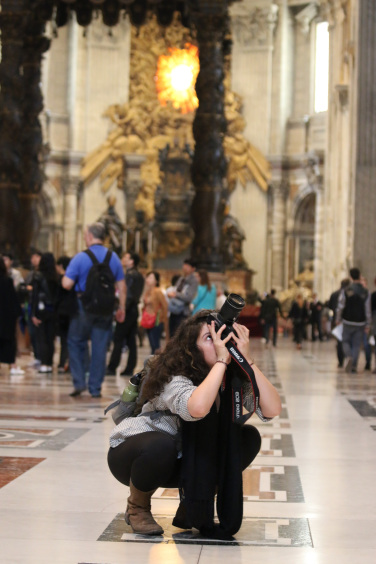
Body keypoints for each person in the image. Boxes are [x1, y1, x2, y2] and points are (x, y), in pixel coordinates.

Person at [107, 310, 281, 537]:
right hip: (135, 458)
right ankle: (137, 507)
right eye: (210, 338)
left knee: (248, 437)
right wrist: (221, 361)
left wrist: (246, 361)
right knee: (161, 446)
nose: (221, 343)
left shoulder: (232, 377)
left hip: (183, 462)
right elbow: (196, 408)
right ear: (191, 347)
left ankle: (194, 504)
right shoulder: (174, 373)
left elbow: (272, 409)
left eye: (223, 336)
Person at [62, 222, 126, 397]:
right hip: (105, 308)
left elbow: (66, 284)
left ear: (90, 236)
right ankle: (95, 387)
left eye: (85, 235)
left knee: (75, 342)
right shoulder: (113, 258)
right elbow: (121, 284)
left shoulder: (80, 257)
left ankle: (79, 381)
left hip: (84, 306)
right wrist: (122, 307)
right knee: (100, 347)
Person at [107, 252, 144, 376]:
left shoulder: (130, 275)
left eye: (126, 258)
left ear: (132, 261)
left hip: (127, 310)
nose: (123, 259)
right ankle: (129, 367)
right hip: (133, 310)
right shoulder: (139, 275)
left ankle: (112, 367)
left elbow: (127, 295)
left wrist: (121, 309)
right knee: (131, 340)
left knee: (118, 338)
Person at [336, 267, 371, 373]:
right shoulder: (365, 292)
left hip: (347, 321)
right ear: (359, 276)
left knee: (345, 341)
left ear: (350, 277)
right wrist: (368, 324)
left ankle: (349, 356)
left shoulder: (346, 291)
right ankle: (354, 366)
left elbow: (341, 306)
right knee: (357, 345)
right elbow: (367, 309)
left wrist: (338, 318)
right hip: (360, 322)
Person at [30, 252, 59, 373]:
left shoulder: (38, 276)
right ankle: (50, 363)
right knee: (50, 338)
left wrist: (33, 313)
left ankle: (43, 363)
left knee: (41, 337)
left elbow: (35, 296)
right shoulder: (57, 277)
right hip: (53, 311)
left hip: (41, 310)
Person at [0, 257, 23, 374]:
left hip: (5, 316)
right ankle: (12, 365)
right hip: (6, 317)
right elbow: (13, 300)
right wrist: (18, 314)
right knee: (9, 341)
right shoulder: (7, 281)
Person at [167, 258, 198, 337]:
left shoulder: (193, 281)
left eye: (187, 265)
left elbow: (189, 297)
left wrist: (176, 294)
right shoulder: (181, 279)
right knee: (172, 334)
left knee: (178, 336)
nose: (184, 267)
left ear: (193, 268)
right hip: (174, 309)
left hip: (183, 312)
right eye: (184, 265)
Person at [141, 271, 169, 354]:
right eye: (147, 277)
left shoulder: (158, 291)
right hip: (148, 320)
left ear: (156, 281)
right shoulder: (147, 291)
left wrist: (163, 320)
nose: (148, 279)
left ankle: (155, 363)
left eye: (151, 278)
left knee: (155, 345)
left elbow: (165, 306)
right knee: (152, 344)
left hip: (156, 321)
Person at [55, 256, 73, 373]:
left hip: (63, 313)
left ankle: (63, 363)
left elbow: (57, 298)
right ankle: (69, 364)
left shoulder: (62, 279)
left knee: (65, 340)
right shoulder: (74, 279)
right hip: (72, 312)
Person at [328, 278, 350, 368]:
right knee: (347, 340)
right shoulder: (348, 293)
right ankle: (347, 356)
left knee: (339, 341)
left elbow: (330, 306)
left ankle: (340, 360)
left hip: (336, 321)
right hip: (346, 320)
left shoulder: (334, 294)